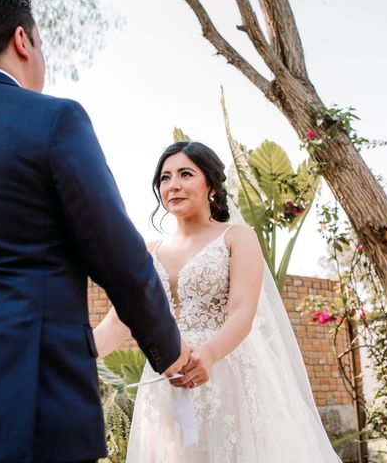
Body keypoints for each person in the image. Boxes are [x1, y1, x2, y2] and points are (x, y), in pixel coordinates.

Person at [0, 0, 188, 461]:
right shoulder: (54, 120)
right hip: (26, 400)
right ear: (23, 40)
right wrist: (170, 352)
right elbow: (120, 258)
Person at [95, 141, 342, 462]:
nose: (173, 185)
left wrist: (209, 354)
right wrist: (74, 355)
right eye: (165, 178)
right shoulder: (146, 252)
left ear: (211, 184)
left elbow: (242, 311)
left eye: (185, 174)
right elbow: (120, 319)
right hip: (165, 383)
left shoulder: (236, 237)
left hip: (227, 372)